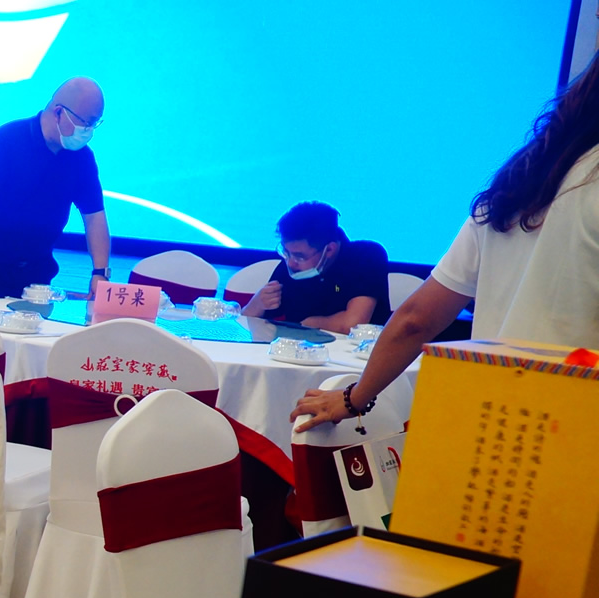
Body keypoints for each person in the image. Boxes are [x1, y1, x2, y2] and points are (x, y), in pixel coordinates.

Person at [291, 62, 599, 431]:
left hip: (488, 418)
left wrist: (352, 398)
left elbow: (416, 319)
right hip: (576, 427)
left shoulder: (519, 185)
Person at [0, 77, 110, 298]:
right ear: (59, 112)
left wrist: (100, 273)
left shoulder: (82, 158)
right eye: (85, 122)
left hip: (36, 273)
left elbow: (94, 217)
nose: (88, 131)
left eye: (94, 124)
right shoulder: (5, 140)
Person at [243, 202, 390, 334]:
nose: (291, 263)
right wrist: (256, 304)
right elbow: (242, 326)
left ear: (329, 250)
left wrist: (311, 323)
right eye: (286, 252)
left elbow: (353, 325)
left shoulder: (366, 256)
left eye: (300, 256)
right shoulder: (290, 266)